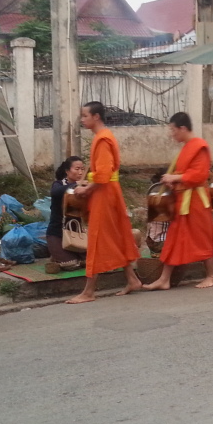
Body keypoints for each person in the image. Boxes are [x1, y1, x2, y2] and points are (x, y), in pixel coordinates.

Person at [67, 102, 142, 303]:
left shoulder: (103, 140)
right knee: (115, 236)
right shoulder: (102, 138)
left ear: (96, 117)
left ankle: (89, 292)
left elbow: (103, 175)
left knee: (97, 238)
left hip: (104, 193)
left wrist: (86, 188)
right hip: (108, 192)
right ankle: (132, 279)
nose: (82, 119)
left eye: (84, 116)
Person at [143, 112, 213, 290]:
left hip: (196, 201)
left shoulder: (199, 146)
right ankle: (164, 279)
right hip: (183, 200)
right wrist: (172, 179)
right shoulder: (186, 147)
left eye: (173, 129)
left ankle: (212, 275)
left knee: (202, 238)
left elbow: (199, 175)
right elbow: (185, 174)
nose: (172, 134)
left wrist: (174, 178)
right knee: (174, 239)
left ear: (182, 128)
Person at [46, 156, 86, 271]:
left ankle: (70, 254)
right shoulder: (58, 184)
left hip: (78, 233)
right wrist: (76, 184)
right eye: (77, 169)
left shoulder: (85, 187)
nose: (80, 172)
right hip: (58, 233)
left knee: (88, 262)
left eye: (82, 169)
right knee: (71, 264)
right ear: (67, 171)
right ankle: (56, 254)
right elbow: (55, 192)